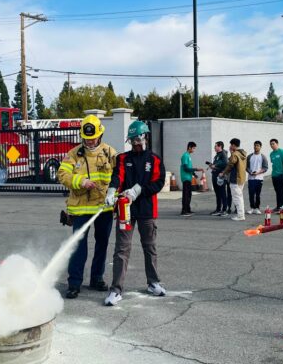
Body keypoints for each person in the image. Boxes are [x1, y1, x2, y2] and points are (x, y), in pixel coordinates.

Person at [104, 120, 167, 306]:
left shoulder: (155, 160)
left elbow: (158, 182)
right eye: (133, 140)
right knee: (122, 249)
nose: (136, 143)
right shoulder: (123, 159)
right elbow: (118, 176)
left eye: (139, 139)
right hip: (125, 209)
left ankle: (153, 282)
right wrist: (111, 190)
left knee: (150, 247)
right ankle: (116, 290)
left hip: (147, 210)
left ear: (145, 137)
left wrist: (138, 190)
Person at [57, 114, 117, 299]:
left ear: (100, 135)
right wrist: (80, 181)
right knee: (78, 246)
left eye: (92, 139)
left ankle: (97, 278)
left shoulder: (110, 153)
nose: (89, 142)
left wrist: (113, 192)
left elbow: (119, 175)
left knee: (102, 244)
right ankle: (74, 283)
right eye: (86, 139)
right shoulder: (74, 154)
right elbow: (62, 175)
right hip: (80, 209)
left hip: (103, 208)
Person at [219, 138, 247, 221]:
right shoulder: (243, 153)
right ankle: (241, 214)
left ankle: (240, 216)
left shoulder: (235, 154)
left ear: (234, 145)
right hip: (241, 178)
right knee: (240, 197)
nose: (230, 146)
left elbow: (230, 165)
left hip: (235, 178)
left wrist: (223, 173)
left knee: (237, 197)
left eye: (231, 145)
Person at [180, 141, 204, 216]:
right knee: (186, 195)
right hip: (185, 177)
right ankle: (184, 211)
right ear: (189, 147)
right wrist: (197, 169)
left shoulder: (188, 156)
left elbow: (189, 168)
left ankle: (188, 209)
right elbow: (186, 168)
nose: (194, 150)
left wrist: (194, 174)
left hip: (189, 177)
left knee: (189, 194)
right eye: (193, 148)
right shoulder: (185, 156)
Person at [245, 141, 268, 215]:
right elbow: (246, 167)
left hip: (259, 178)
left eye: (257, 145)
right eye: (255, 145)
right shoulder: (249, 156)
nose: (256, 147)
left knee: (258, 194)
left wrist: (258, 173)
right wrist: (250, 172)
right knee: (251, 193)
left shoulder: (263, 157)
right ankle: (252, 208)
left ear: (260, 147)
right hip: (251, 178)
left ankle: (257, 208)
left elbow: (265, 168)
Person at [208, 141, 228, 216]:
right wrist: (212, 166)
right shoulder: (217, 155)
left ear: (220, 146)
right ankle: (218, 209)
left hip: (220, 177)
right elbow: (217, 165)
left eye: (215, 146)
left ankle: (224, 210)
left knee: (222, 193)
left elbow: (226, 163)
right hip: (215, 175)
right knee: (217, 194)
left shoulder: (223, 154)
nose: (214, 147)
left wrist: (215, 165)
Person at [269, 139, 283, 209]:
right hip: (274, 175)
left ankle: (282, 206)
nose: (272, 145)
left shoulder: (281, 152)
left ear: (277, 144)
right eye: (271, 144)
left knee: (281, 191)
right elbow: (273, 163)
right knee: (277, 191)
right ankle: (278, 206)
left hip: (281, 175)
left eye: (273, 143)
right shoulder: (271, 154)